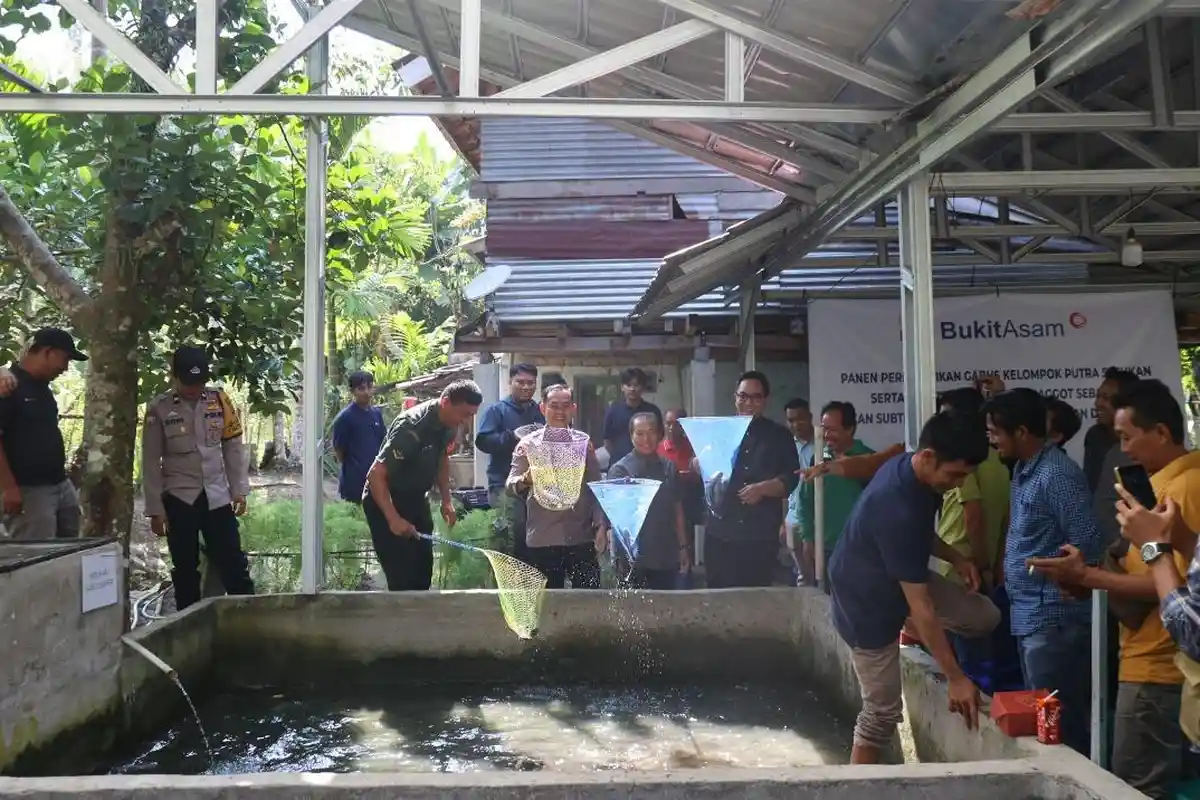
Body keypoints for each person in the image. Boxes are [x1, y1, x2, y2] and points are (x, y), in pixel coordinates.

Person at [1030, 379, 1197, 798]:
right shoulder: (1165, 486)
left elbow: (1174, 592)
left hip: (1159, 664)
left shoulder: (1185, 489)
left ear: (1161, 432)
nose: (1125, 451)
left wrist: (1088, 577)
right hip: (1149, 657)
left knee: (1136, 787)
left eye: (1127, 437)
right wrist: (1092, 579)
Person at [828, 410, 999, 765]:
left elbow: (920, 535)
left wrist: (956, 557)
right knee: (881, 714)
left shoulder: (918, 476)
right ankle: (856, 790)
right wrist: (955, 678)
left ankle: (914, 628)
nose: (956, 485)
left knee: (984, 615)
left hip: (898, 577)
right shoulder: (896, 504)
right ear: (928, 456)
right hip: (864, 603)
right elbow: (922, 604)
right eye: (954, 475)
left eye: (964, 477)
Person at [983, 388, 1104, 756]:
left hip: (1055, 618)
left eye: (995, 432)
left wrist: (1071, 581)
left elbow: (1088, 543)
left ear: (1021, 432)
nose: (991, 439)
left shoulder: (1057, 474)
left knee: (1060, 726)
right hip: (1029, 614)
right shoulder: (1022, 469)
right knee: (1045, 720)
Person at [142, 346, 254, 610]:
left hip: (216, 495)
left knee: (233, 561)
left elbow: (232, 446)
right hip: (180, 497)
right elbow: (149, 461)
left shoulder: (219, 400)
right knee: (185, 568)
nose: (194, 389)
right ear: (174, 376)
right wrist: (155, 510)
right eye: (188, 382)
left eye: (199, 382)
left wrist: (239, 489)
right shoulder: (159, 409)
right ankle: (188, 625)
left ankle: (249, 619)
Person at [364, 380, 482, 591]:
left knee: (422, 572)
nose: (466, 420)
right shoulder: (411, 427)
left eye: (471, 415)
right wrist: (393, 519)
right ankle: (400, 621)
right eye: (464, 414)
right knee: (401, 578)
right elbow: (375, 474)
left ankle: (420, 620)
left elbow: (442, 459)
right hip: (386, 499)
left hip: (417, 497)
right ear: (445, 402)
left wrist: (447, 500)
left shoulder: (450, 425)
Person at [704, 371, 800, 588]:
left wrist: (764, 488)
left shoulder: (779, 436)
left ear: (765, 400)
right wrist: (697, 464)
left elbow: (791, 478)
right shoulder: (718, 432)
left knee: (756, 599)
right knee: (718, 599)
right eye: (743, 396)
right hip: (720, 533)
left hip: (759, 535)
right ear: (735, 397)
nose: (749, 403)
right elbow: (703, 465)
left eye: (756, 397)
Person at [508, 384, 604, 589]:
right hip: (543, 537)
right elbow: (510, 484)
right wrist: (526, 479)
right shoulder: (528, 445)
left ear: (573, 409)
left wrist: (602, 525)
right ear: (542, 408)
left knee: (588, 599)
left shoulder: (584, 444)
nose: (560, 412)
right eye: (554, 406)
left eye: (565, 406)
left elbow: (596, 486)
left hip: (580, 536)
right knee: (547, 603)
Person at [0, 328, 87, 540]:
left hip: (59, 484)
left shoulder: (43, 388)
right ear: (47, 352)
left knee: (69, 547)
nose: (65, 368)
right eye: (65, 359)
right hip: (29, 490)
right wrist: (8, 487)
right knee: (36, 556)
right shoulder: (8, 385)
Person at [605, 412, 690, 589]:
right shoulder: (620, 470)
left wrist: (683, 547)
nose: (646, 439)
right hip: (633, 558)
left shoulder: (669, 466)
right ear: (631, 436)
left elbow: (677, 508)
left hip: (665, 552)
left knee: (666, 609)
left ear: (660, 434)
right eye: (640, 433)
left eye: (651, 432)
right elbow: (616, 519)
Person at [474, 363, 545, 560]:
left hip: (537, 486)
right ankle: (510, 581)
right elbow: (483, 441)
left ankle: (537, 580)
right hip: (503, 486)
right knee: (511, 536)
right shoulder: (497, 411)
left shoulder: (540, 410)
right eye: (520, 382)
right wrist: (511, 436)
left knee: (535, 537)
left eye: (530, 383)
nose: (525, 387)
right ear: (510, 382)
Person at [798, 401, 873, 580]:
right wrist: (808, 538)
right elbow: (805, 501)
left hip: (859, 550)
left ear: (850, 429)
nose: (826, 435)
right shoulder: (817, 460)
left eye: (832, 430)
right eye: (824, 429)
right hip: (824, 550)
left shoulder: (868, 461)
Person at [330, 370, 385, 504]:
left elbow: (383, 442)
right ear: (352, 391)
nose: (366, 392)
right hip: (354, 482)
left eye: (370, 387)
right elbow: (339, 450)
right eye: (361, 388)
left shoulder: (376, 414)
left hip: (376, 480)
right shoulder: (345, 418)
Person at [782, 398, 815, 584]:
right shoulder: (786, 446)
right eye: (791, 420)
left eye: (800, 418)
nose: (796, 424)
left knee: (818, 569)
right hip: (792, 517)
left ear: (809, 418)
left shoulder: (822, 445)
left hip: (815, 516)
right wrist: (782, 521)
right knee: (802, 575)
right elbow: (783, 484)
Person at [602, 368, 662, 464]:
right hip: (619, 463)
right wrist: (619, 456)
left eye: (636, 385)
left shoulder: (652, 411)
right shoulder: (613, 410)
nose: (632, 389)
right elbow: (607, 440)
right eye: (628, 385)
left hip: (648, 464)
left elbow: (659, 437)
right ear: (622, 387)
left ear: (642, 387)